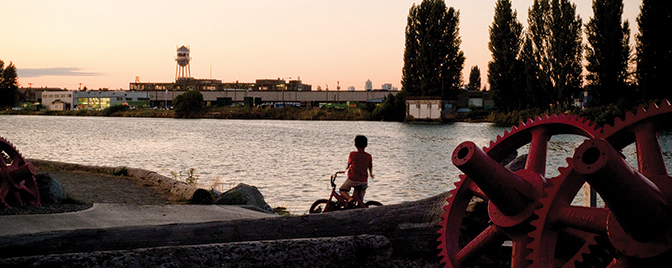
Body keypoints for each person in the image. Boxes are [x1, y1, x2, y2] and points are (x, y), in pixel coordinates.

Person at [339, 135, 374, 206]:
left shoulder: (353, 154)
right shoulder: (368, 156)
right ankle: (360, 205)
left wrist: (347, 167)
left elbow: (349, 164)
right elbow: (370, 166)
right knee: (358, 199)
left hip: (353, 179)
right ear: (366, 145)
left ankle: (349, 199)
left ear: (355, 145)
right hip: (363, 181)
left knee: (342, 190)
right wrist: (371, 174)